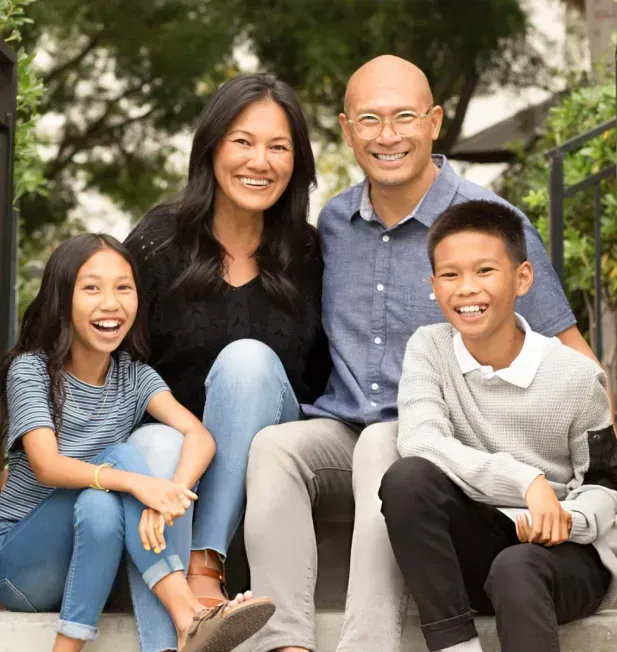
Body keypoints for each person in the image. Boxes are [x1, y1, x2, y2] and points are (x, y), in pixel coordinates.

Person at [242, 55, 607, 652]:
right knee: (273, 447)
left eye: (405, 117)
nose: (388, 136)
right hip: (341, 426)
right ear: (346, 128)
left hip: (440, 447)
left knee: (388, 441)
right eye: (370, 120)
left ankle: (368, 643)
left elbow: (571, 351)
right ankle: (284, 641)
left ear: (434, 121)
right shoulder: (332, 222)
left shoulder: (489, 226)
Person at [123, 72, 329, 649]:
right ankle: (179, 632)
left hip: (265, 454)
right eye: (242, 141)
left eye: (278, 146)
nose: (259, 161)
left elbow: (321, 376)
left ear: (297, 162)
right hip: (171, 460)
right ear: (211, 146)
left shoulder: (309, 252)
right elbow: (120, 361)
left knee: (247, 362)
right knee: (160, 445)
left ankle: (204, 566)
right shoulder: (160, 240)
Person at [0, 233, 275, 652]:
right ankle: (187, 613)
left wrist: (168, 495)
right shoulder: (31, 370)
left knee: (99, 499)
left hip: (92, 559)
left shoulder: (136, 377)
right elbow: (47, 466)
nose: (110, 303)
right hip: (19, 567)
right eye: (91, 288)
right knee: (122, 463)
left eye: (123, 288)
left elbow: (199, 437)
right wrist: (137, 484)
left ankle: (67, 646)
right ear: (61, 299)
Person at [380, 199, 617, 652]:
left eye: (485, 271)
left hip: (564, 558)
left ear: (522, 278)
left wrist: (565, 520)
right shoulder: (429, 347)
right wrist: (525, 481)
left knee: (517, 567)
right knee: (408, 478)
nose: (466, 289)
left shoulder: (576, 376)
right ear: (433, 285)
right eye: (450, 275)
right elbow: (421, 440)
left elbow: (607, 483)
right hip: (478, 542)